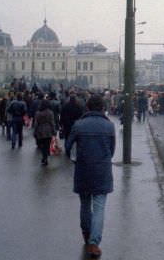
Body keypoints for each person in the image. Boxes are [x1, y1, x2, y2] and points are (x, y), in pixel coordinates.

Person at [66, 94, 115, 259]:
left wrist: (75, 158)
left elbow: (68, 147)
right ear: (103, 108)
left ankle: (86, 234)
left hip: (83, 170)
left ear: (87, 108)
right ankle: (94, 243)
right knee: (99, 207)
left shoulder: (78, 125)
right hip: (102, 171)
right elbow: (112, 150)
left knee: (85, 204)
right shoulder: (109, 126)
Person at [34, 99, 56, 165]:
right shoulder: (50, 113)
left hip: (40, 130)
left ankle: (44, 156)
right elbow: (52, 123)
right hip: (48, 130)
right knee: (47, 144)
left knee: (42, 145)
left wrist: (35, 131)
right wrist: (54, 131)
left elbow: (36, 123)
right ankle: (45, 157)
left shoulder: (37, 113)